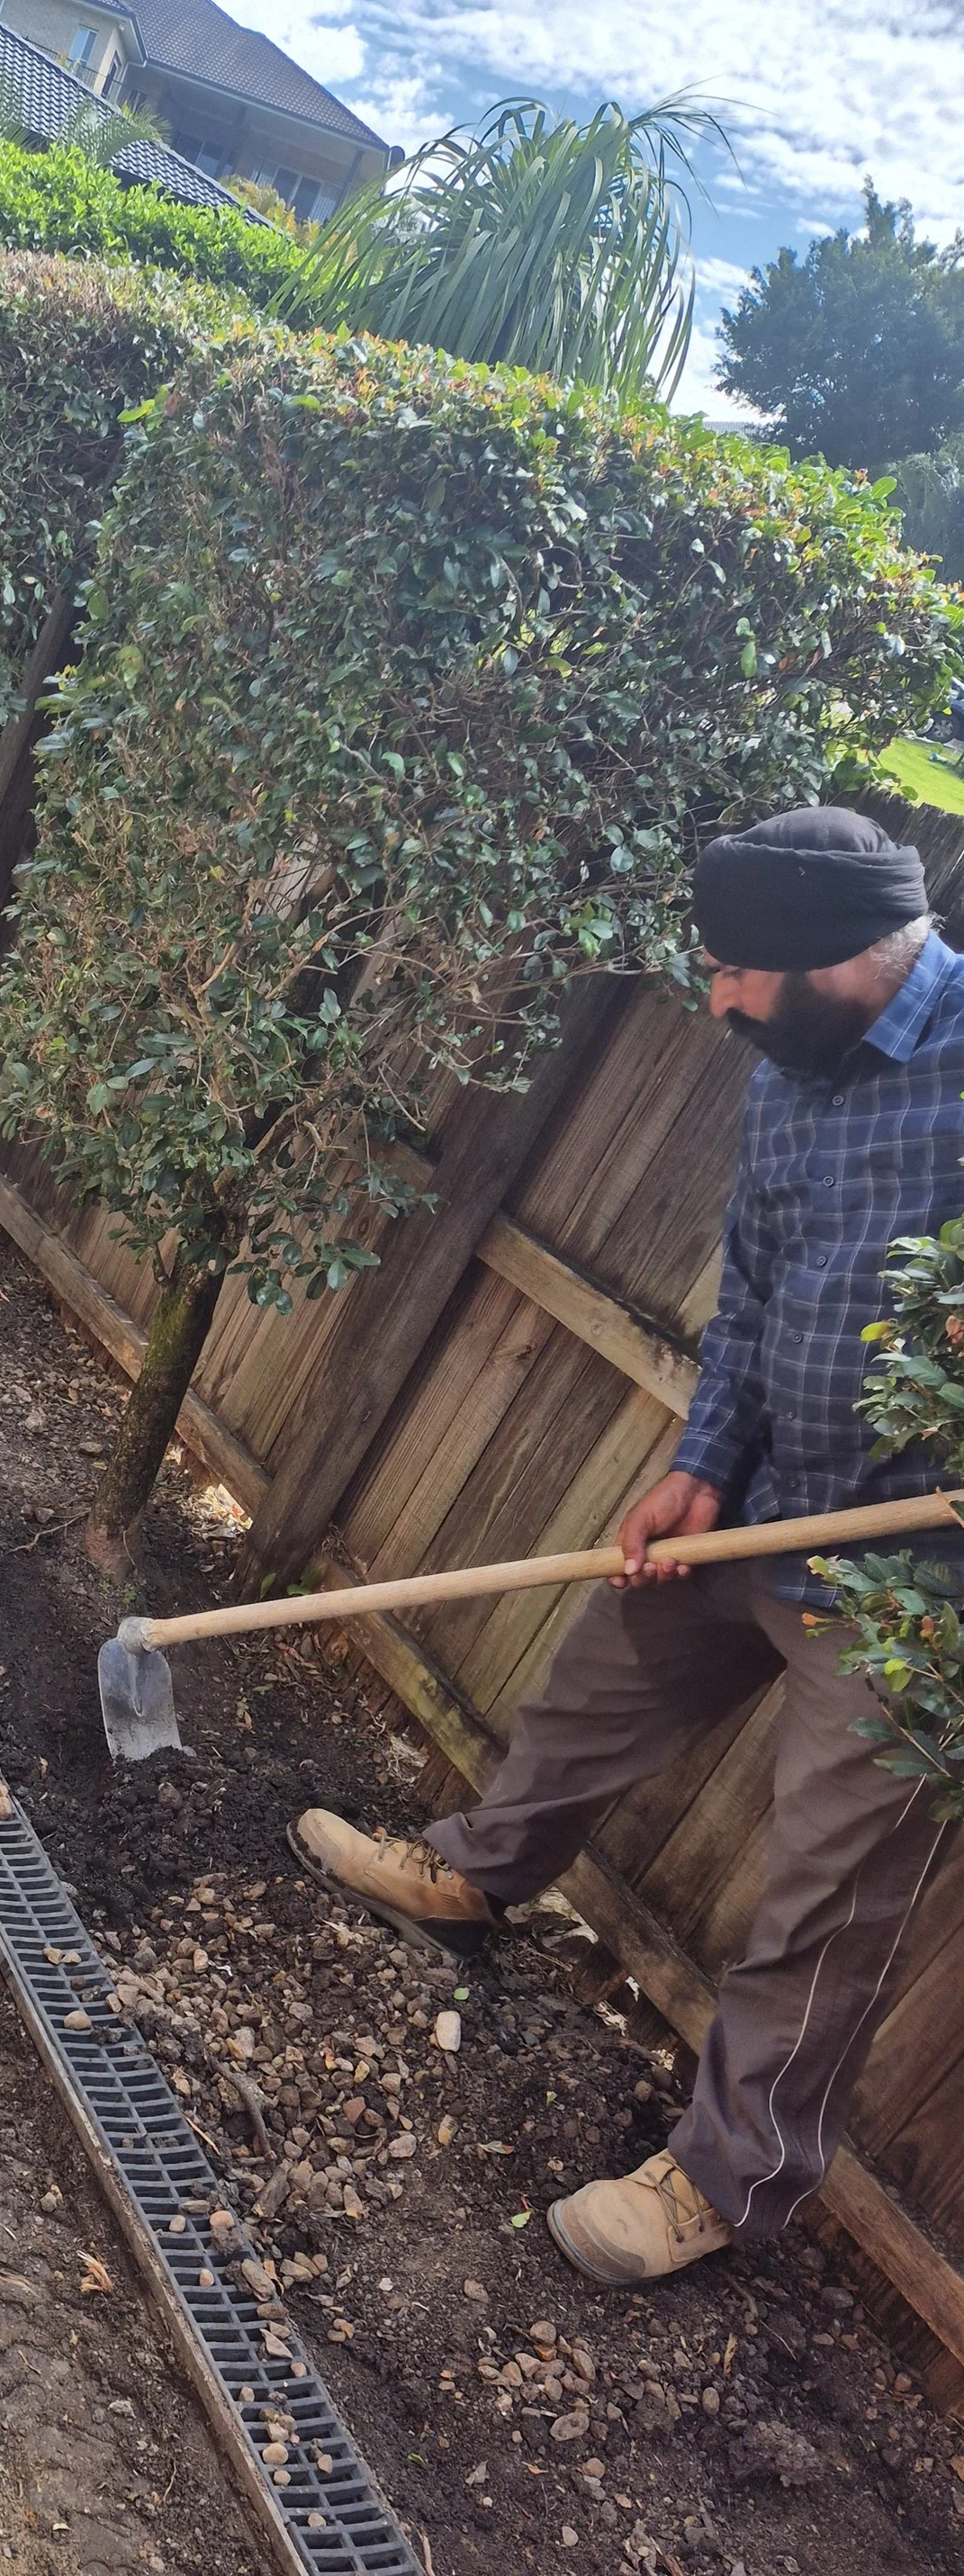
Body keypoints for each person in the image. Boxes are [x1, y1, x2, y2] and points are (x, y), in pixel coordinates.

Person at [292, 808, 964, 2288]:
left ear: (836, 955)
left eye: (732, 971)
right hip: (771, 1497)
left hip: (918, 1590)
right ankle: (476, 1872)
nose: (715, 1002)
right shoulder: (793, 1072)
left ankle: (725, 2179)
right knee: (595, 1685)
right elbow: (755, 1295)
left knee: (827, 1896)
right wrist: (702, 1465)